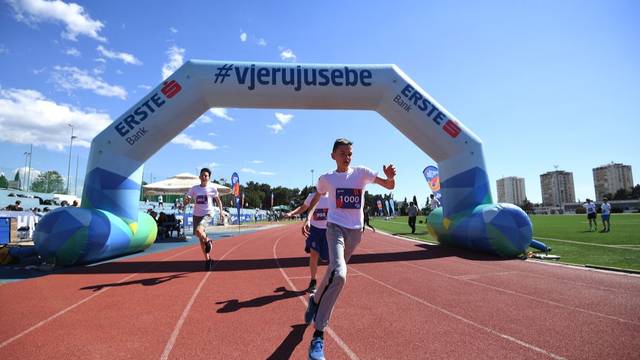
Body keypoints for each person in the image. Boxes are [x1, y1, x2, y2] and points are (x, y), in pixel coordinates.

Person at [303, 138, 396, 360]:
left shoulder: (361, 173)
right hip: (334, 228)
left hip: (355, 233)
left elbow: (388, 186)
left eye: (350, 153)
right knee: (341, 275)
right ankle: (318, 334)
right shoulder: (327, 178)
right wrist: (307, 216)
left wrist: (391, 176)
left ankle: (315, 300)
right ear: (333, 155)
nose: (347, 156)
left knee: (332, 273)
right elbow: (317, 196)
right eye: (343, 153)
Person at [285, 188, 330, 293]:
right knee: (314, 254)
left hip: (328, 230)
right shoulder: (312, 196)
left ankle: (329, 277)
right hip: (314, 229)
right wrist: (291, 213)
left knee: (326, 258)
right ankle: (313, 281)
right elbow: (303, 207)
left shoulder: (332, 196)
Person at [183, 168, 224, 270]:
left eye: (206, 176)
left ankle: (208, 241)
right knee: (200, 238)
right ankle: (208, 260)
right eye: (202, 175)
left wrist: (221, 212)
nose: (204, 177)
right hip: (196, 214)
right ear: (199, 177)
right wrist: (186, 201)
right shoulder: (194, 188)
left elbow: (218, 201)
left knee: (199, 231)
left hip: (208, 213)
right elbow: (186, 201)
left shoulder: (212, 188)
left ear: (209, 178)